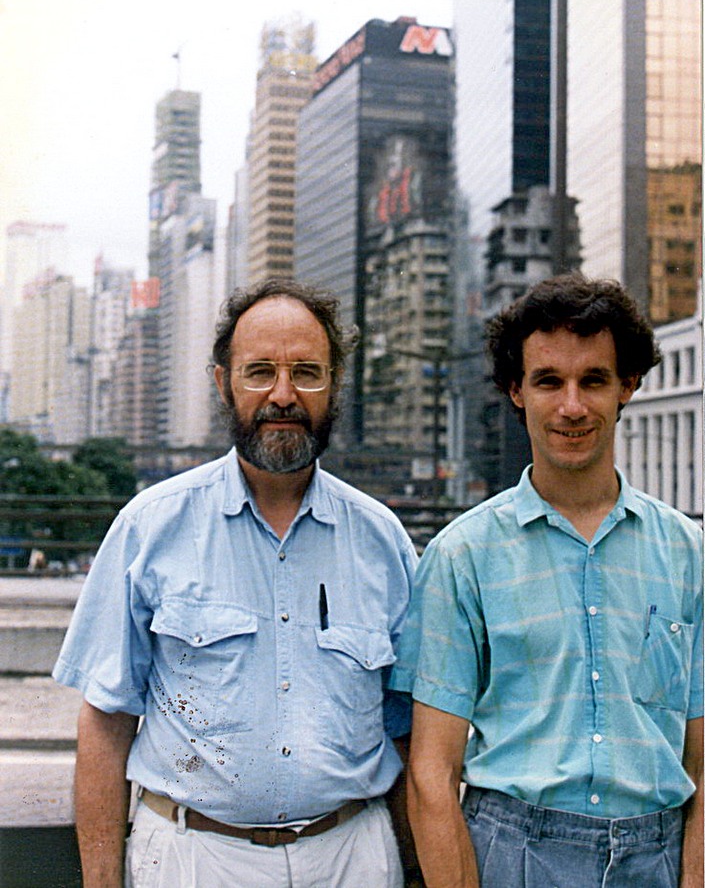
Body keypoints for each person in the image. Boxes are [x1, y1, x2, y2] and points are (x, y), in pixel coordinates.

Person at [53, 279, 419, 888]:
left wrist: (415, 868)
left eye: (307, 372)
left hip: (353, 856)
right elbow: (104, 723)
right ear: (223, 382)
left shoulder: (383, 541)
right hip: (192, 858)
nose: (283, 395)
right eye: (259, 372)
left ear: (334, 387)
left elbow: (409, 731)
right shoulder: (150, 527)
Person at [391, 273, 703, 887]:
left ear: (628, 387)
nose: (572, 406)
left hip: (659, 856)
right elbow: (431, 772)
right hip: (512, 853)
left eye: (593, 380)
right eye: (548, 381)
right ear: (516, 390)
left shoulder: (689, 554)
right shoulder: (462, 557)